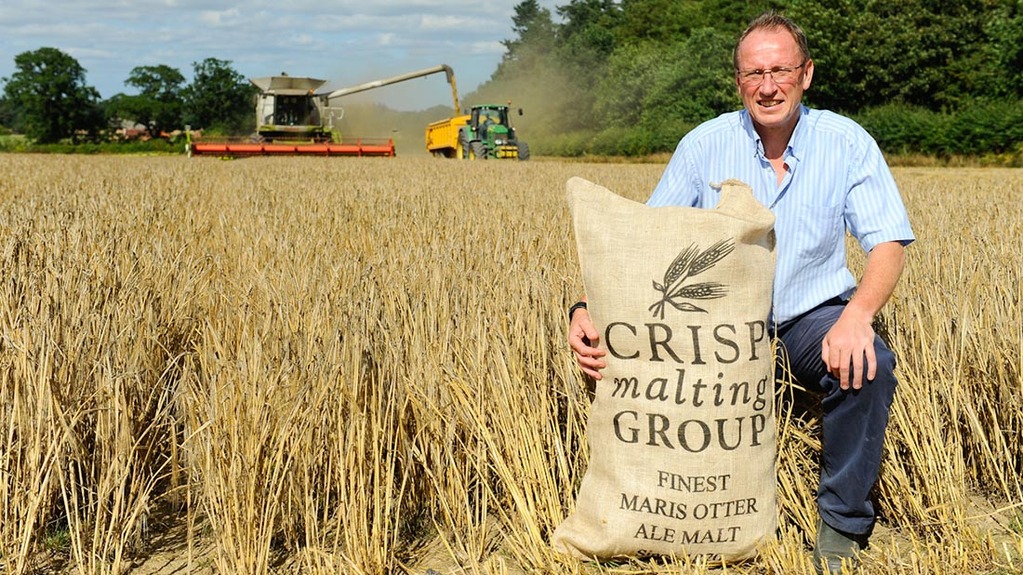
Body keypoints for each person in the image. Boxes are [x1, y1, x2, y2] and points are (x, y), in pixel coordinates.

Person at [566, 10, 914, 574]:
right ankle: (667, 512)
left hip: (808, 316)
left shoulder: (846, 143)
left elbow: (888, 243)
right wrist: (585, 307)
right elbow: (645, 242)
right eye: (754, 74)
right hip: (715, 325)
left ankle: (842, 523)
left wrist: (858, 317)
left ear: (806, 75)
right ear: (738, 83)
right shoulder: (704, 145)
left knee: (868, 361)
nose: (768, 86)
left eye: (780, 70)